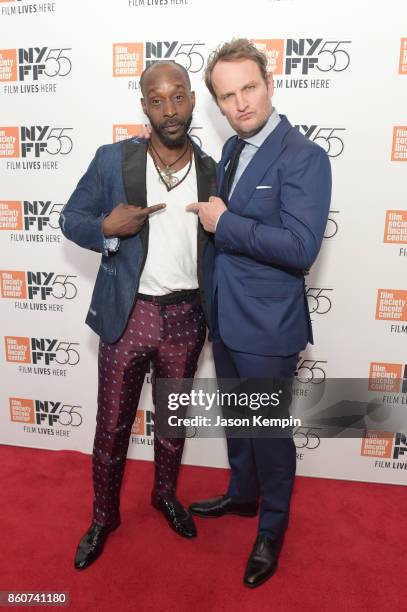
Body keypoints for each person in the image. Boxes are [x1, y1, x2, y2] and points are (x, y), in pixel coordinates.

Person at [59, 60, 216, 570]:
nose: (169, 110)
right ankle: (104, 515)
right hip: (130, 314)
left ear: (193, 100)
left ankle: (164, 495)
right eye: (157, 99)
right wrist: (107, 227)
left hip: (187, 317)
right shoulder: (112, 160)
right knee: (111, 427)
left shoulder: (214, 170)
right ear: (143, 105)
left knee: (172, 423)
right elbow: (70, 218)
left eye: (178, 97)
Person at [186, 39, 332, 588]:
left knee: (268, 432)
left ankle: (272, 528)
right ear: (218, 105)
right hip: (225, 315)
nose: (241, 103)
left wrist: (224, 223)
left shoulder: (304, 156)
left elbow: (299, 247)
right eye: (228, 95)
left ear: (270, 84)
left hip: (269, 327)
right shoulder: (230, 150)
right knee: (240, 421)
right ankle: (244, 497)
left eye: (249, 87)